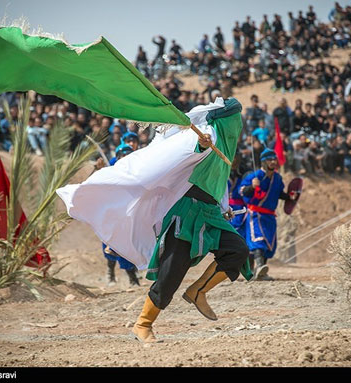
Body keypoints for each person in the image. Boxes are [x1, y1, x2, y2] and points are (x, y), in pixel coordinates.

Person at [132, 98, 252, 343]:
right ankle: (143, 324)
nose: (237, 127)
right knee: (171, 274)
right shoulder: (207, 136)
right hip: (186, 212)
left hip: (210, 212)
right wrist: (200, 145)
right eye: (234, 121)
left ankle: (198, 291)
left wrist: (224, 207)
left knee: (237, 250)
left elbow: (218, 184)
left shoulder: (226, 150)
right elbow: (184, 153)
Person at [240, 149, 296, 280]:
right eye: (270, 159)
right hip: (256, 214)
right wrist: (252, 187)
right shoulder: (254, 176)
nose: (273, 162)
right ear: (263, 161)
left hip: (270, 216)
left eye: (274, 159)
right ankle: (259, 267)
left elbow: (279, 193)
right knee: (259, 240)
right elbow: (243, 191)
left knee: (269, 244)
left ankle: (261, 274)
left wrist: (289, 197)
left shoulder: (277, 178)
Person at [103, 144, 141, 287]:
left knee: (129, 245)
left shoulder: (137, 170)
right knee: (112, 247)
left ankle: (133, 276)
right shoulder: (111, 170)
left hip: (130, 211)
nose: (126, 158)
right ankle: (111, 273)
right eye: (123, 155)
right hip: (113, 213)